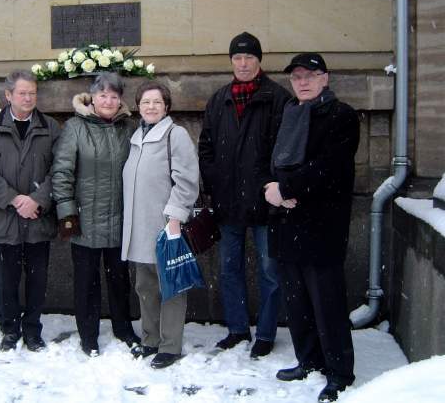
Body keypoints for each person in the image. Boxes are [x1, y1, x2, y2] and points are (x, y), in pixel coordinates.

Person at [265, 53, 359, 403]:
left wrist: (286, 189)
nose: (302, 82)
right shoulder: (287, 113)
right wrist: (269, 190)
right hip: (286, 223)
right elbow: (268, 160)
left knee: (327, 304)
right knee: (297, 301)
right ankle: (308, 360)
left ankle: (339, 371)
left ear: (325, 78)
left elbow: (330, 167)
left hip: (321, 227)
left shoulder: (342, 116)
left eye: (310, 75)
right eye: (296, 76)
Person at [198, 31, 291, 358]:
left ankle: (265, 333)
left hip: (265, 202)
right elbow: (206, 147)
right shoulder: (219, 98)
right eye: (237, 58)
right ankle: (237, 329)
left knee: (270, 271)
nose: (242, 63)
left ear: (259, 60)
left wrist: (273, 186)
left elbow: (285, 150)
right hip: (228, 202)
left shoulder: (277, 97)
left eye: (249, 57)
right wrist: (214, 182)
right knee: (229, 268)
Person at [51, 72, 140, 356]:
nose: (108, 101)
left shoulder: (129, 128)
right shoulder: (76, 127)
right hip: (85, 219)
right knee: (86, 282)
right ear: (92, 97)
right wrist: (66, 212)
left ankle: (123, 328)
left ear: (120, 100)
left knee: (119, 280)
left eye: (114, 96)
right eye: (103, 95)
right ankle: (88, 335)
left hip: (119, 218)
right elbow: (62, 171)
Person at [0, 69, 60, 352]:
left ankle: (33, 329)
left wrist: (37, 199)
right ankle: (10, 329)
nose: (28, 98)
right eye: (22, 93)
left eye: (32, 93)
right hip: (5, 219)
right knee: (6, 279)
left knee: (37, 279)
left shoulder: (50, 127)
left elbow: (59, 170)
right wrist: (13, 199)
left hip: (38, 218)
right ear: (8, 95)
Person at [122, 81, 199, 369]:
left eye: (156, 102)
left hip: (166, 226)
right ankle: (150, 339)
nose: (151, 107)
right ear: (138, 107)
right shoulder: (137, 136)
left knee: (171, 287)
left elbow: (187, 180)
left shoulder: (175, 134)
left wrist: (176, 217)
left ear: (166, 106)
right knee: (146, 285)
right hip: (140, 227)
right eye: (145, 102)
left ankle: (170, 345)